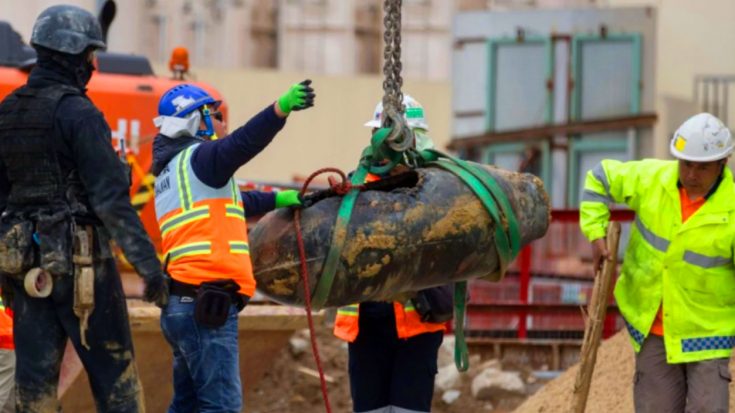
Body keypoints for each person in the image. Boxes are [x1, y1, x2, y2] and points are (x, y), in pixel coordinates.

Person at [0, 4, 168, 412]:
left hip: (26, 273)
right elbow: (111, 200)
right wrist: (149, 268)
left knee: (34, 388)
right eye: (91, 56)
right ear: (77, 57)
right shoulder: (80, 113)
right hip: (83, 270)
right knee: (117, 385)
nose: (94, 65)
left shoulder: (7, 112)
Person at [151, 80, 314, 413]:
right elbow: (243, 143)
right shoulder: (200, 159)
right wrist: (279, 110)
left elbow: (233, 200)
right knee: (221, 406)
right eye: (216, 115)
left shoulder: (174, 169)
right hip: (206, 305)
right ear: (197, 120)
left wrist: (278, 198)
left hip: (182, 304)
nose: (222, 122)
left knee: (188, 405)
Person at [580, 112, 735, 412]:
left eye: (702, 168)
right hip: (652, 329)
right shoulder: (653, 180)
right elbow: (599, 178)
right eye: (686, 164)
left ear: (722, 163)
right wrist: (595, 232)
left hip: (708, 336)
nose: (691, 174)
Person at [333, 94, 450, 413]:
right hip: (365, 322)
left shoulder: (436, 185)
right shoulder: (354, 185)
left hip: (416, 320)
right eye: (378, 135)